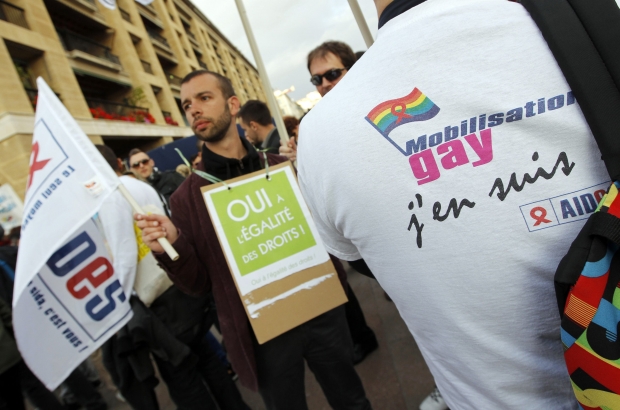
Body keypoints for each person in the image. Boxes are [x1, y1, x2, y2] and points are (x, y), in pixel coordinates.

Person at [296, 0, 607, 409]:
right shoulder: (589, 25)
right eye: (316, 78)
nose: (323, 83)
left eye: (332, 73)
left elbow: (368, 264)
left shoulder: (318, 138)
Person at [135, 69, 372, 410]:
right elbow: (198, 285)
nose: (194, 109)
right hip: (263, 333)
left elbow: (323, 230)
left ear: (233, 105)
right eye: (186, 105)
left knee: (352, 400)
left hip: (320, 308)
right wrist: (173, 246)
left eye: (204, 98)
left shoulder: (281, 166)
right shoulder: (186, 199)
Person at [97, 145, 249, 410]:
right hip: (176, 283)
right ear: (120, 164)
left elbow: (125, 256)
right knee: (206, 359)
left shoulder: (111, 198)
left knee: (183, 378)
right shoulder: (140, 186)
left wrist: (122, 300)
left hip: (159, 303)